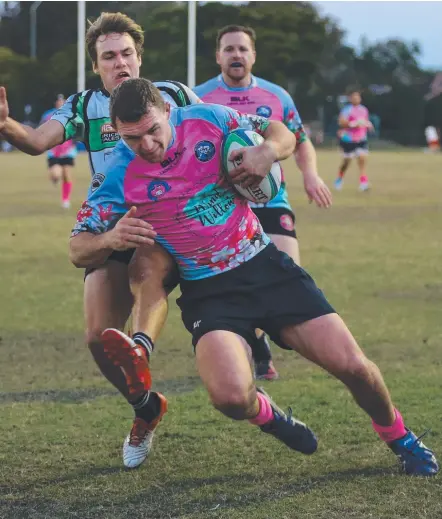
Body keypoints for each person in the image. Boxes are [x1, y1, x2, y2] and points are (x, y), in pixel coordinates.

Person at [73, 78, 438, 477]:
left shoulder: (209, 119)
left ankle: (399, 436)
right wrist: (109, 237)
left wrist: (266, 152)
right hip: (208, 293)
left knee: (355, 367)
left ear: (166, 111)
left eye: (152, 131)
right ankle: (269, 415)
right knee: (230, 398)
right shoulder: (117, 173)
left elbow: (282, 133)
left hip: (264, 268)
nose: (146, 145)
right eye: (132, 138)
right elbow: (78, 248)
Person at [0, 12, 201, 469]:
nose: (120, 63)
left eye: (127, 54)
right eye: (109, 56)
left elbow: (210, 132)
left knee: (148, 273)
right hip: (108, 223)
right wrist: (6, 126)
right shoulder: (82, 106)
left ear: (139, 57)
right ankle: (146, 409)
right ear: (96, 65)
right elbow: (35, 140)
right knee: (95, 337)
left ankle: (142, 346)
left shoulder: (171, 96)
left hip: (164, 219)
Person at [194, 25, 332, 381]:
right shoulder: (199, 98)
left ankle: (265, 338)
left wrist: (311, 175)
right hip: (225, 206)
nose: (236, 55)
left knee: (287, 275)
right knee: (237, 281)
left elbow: (300, 141)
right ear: (218, 56)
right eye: (228, 49)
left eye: (242, 48)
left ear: (253, 55)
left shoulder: (277, 97)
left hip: (271, 198)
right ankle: (256, 346)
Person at [40, 94, 77, 208]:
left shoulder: (73, 115)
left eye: (63, 101)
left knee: (67, 174)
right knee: (56, 174)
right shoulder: (48, 115)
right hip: (53, 150)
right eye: (59, 101)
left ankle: (65, 199)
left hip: (68, 150)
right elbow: (41, 129)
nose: (60, 103)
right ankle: (54, 179)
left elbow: (78, 130)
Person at [334, 87, 374, 192]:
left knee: (362, 158)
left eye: (358, 97)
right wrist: (353, 124)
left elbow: (365, 121)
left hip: (361, 139)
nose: (356, 99)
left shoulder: (364, 109)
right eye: (354, 97)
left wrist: (368, 125)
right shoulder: (347, 110)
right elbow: (341, 122)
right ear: (350, 99)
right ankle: (339, 179)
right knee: (346, 162)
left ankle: (363, 182)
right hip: (349, 139)